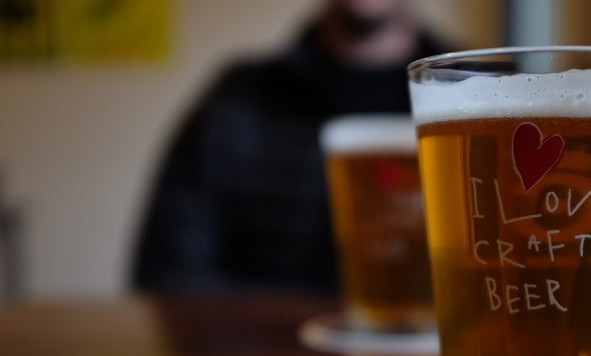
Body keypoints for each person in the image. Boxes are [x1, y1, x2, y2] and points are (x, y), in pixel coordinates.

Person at [131, 0, 447, 293]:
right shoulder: (238, 97)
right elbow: (168, 271)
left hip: (434, 350)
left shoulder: (472, 95)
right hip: (260, 349)